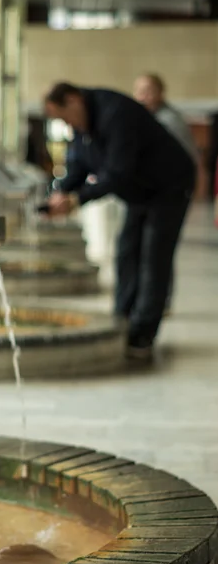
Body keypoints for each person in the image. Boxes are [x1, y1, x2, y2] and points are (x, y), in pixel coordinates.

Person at [43, 82, 196, 360]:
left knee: (153, 258)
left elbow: (117, 172)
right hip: (138, 192)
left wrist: (77, 200)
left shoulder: (116, 113)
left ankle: (142, 335)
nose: (66, 124)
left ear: (73, 100)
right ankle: (122, 320)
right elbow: (79, 163)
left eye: (64, 117)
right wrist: (61, 191)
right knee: (127, 252)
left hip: (168, 187)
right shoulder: (82, 127)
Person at [133, 74, 199, 315]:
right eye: (139, 90)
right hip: (153, 195)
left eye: (148, 90)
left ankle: (161, 301)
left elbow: (188, 161)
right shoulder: (147, 120)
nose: (143, 96)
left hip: (170, 195)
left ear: (161, 93)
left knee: (160, 250)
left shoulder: (170, 121)